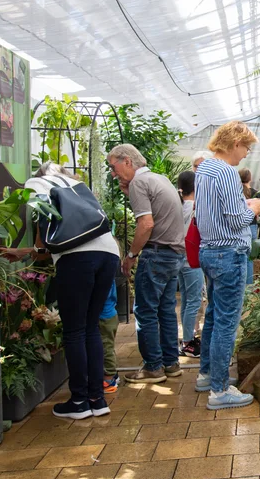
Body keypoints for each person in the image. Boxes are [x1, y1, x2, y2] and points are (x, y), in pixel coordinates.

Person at [23, 164, 122, 420]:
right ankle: (97, 399)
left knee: (74, 330)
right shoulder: (78, 188)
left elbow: (42, 237)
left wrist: (32, 252)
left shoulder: (38, 187)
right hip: (109, 254)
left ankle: (78, 401)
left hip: (76, 260)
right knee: (91, 327)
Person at [193, 121, 260, 409]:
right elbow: (237, 219)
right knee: (226, 322)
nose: (246, 153)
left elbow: (218, 213)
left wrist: (246, 207)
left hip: (210, 251)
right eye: (246, 147)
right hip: (229, 253)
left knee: (213, 316)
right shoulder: (226, 172)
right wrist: (256, 208)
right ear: (234, 143)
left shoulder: (204, 169)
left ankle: (207, 375)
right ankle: (220, 390)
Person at [107, 144, 187, 385]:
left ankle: (153, 367)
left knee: (144, 311)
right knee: (165, 310)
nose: (113, 173)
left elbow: (146, 225)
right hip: (173, 254)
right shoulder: (158, 179)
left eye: (114, 167)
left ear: (127, 161)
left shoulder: (140, 184)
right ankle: (171, 363)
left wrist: (130, 255)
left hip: (156, 255)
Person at [177, 170, 204, 359]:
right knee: (194, 301)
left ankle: (186, 338)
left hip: (180, 259)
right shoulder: (197, 208)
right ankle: (188, 342)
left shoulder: (177, 207)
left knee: (186, 301)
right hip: (193, 261)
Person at [239, 168, 259, 286]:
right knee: (250, 258)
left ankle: (241, 286)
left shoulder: (236, 192)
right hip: (252, 227)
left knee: (240, 258)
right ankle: (249, 287)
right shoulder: (255, 193)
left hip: (240, 227)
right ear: (250, 178)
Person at [99, 279, 119, 394]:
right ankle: (113, 374)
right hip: (110, 314)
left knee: (106, 347)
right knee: (108, 346)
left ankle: (109, 378)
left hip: (104, 317)